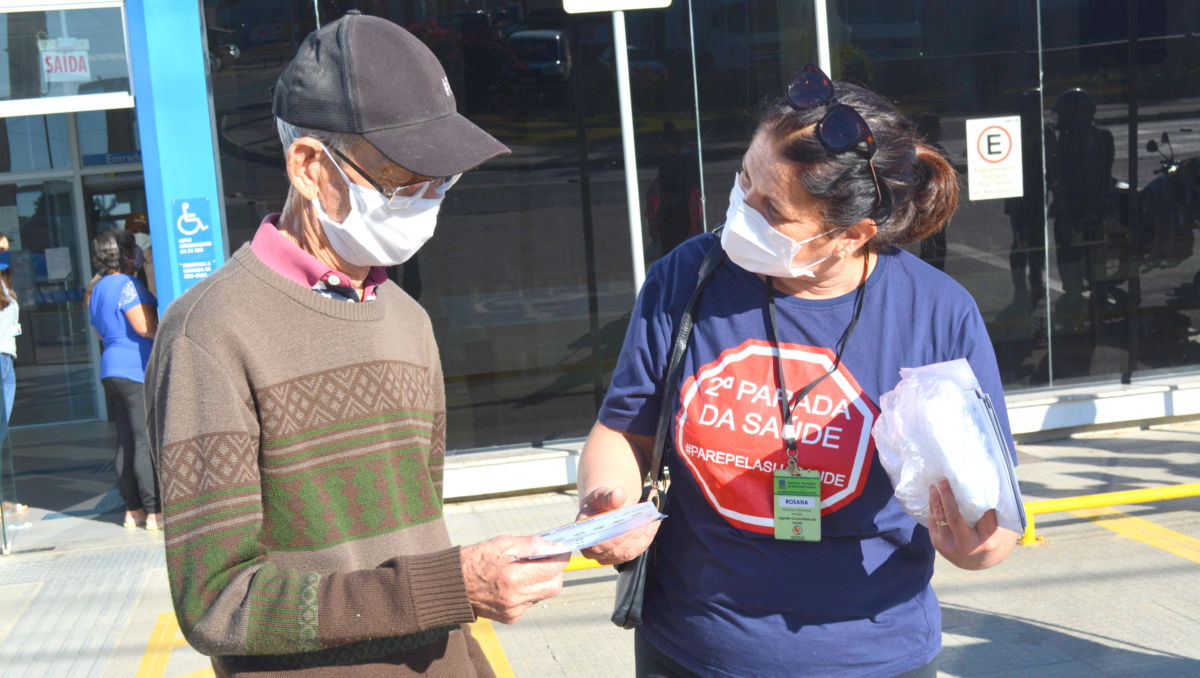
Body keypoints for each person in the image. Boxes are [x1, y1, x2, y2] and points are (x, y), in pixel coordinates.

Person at [143, 12, 567, 677]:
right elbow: (217, 603)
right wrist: (450, 586)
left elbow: (418, 537)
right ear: (311, 167)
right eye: (405, 180)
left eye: (443, 181)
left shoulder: (406, 320)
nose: (429, 201)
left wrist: (467, 640)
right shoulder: (208, 333)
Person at [576, 64, 1020, 678]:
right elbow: (626, 427)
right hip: (689, 650)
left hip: (873, 657)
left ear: (852, 234)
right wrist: (609, 505)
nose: (741, 211)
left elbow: (991, 514)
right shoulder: (686, 277)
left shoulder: (936, 314)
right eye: (744, 183)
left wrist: (978, 548)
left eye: (772, 208)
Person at [88, 229, 160, 530]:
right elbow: (145, 327)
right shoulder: (128, 285)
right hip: (134, 368)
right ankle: (155, 511)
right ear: (126, 254)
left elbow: (101, 333)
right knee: (144, 441)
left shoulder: (97, 288)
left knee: (126, 442)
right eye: (134, 249)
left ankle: (133, 509)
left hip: (111, 368)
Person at [0, 234, 25, 518]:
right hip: (1, 359)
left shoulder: (5, 285)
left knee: (2, 433)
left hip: (7, 359)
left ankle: (5, 498)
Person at [124, 212, 155, 296]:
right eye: (134, 232)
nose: (139, 234)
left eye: (143, 231)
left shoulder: (161, 260)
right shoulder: (121, 262)